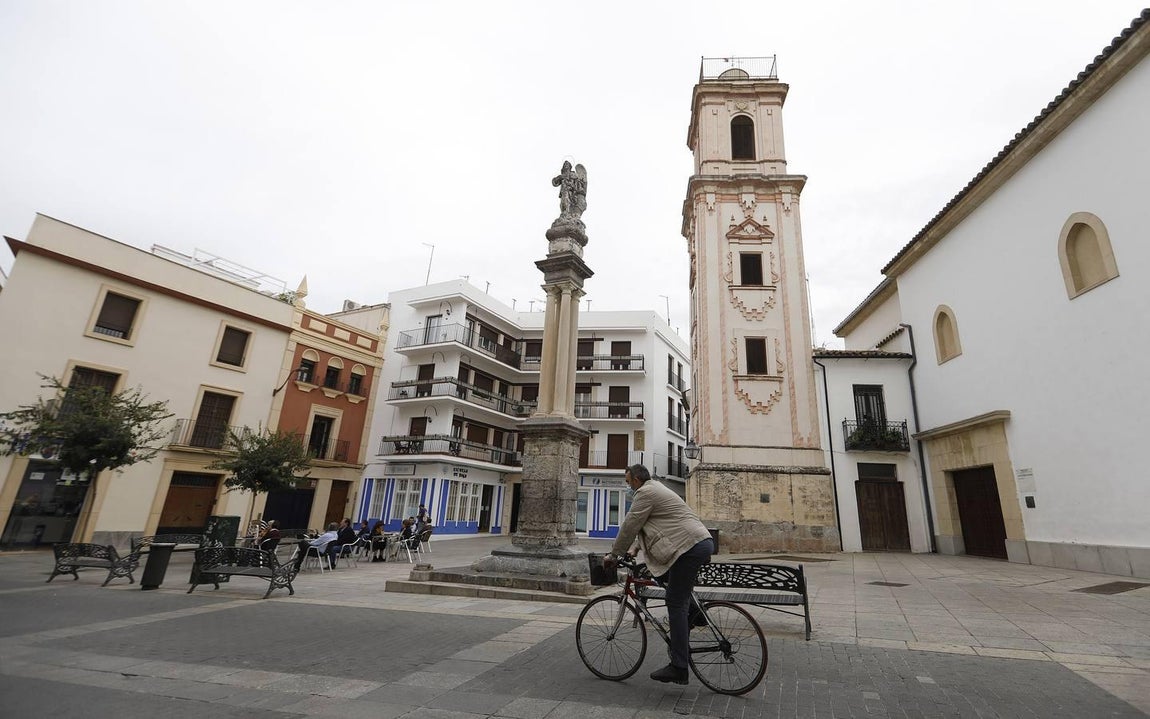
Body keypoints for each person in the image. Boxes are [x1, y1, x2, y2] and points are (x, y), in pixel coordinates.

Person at [603, 464, 713, 686]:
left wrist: (614, 555)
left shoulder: (646, 492)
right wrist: (634, 548)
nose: (628, 488)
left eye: (627, 483)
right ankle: (695, 614)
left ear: (636, 480)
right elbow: (648, 525)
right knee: (662, 577)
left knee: (674, 601)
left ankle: (679, 667)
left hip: (688, 547)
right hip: (697, 543)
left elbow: (631, 524)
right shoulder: (656, 489)